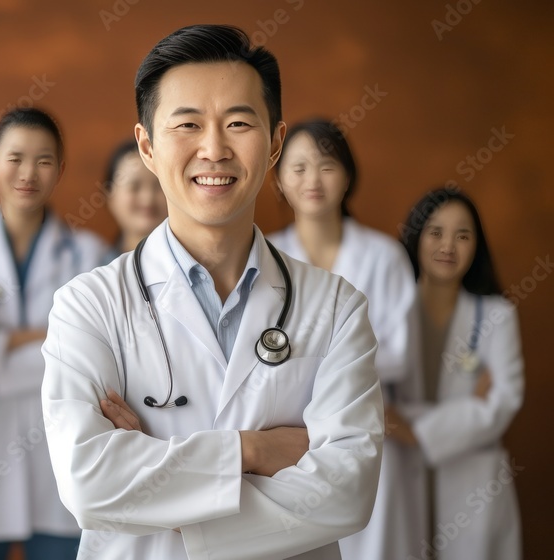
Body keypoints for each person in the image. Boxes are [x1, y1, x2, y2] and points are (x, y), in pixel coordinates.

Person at [41, 24, 384, 559]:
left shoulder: (336, 307)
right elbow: (89, 483)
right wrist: (255, 450)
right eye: (188, 125)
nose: (214, 148)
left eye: (239, 123)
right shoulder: (88, 306)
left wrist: (167, 496)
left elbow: (348, 491)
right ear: (148, 146)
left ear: (273, 143)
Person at [0, 107, 106, 559]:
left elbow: (94, 361)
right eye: (15, 158)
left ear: (61, 170)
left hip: (59, 453)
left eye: (44, 160)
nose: (28, 173)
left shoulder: (91, 256)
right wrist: (37, 339)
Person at [268, 118, 426, 559]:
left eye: (326, 166)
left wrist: (307, 360)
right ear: (278, 179)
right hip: (288, 441)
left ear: (348, 175)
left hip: (373, 433)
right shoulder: (263, 256)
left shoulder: (384, 256)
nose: (312, 179)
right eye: (297, 168)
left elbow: (400, 353)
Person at [391, 188, 523, 560]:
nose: (448, 245)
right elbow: (377, 404)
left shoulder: (497, 315)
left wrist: (410, 427)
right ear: (416, 238)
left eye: (462, 235)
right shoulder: (390, 313)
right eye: (436, 232)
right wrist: (467, 409)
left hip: (473, 483)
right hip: (399, 477)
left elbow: (502, 405)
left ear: (476, 246)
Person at [100, 138, 168, 263]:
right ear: (109, 194)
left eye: (159, 185)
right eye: (134, 187)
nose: (148, 199)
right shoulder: (91, 265)